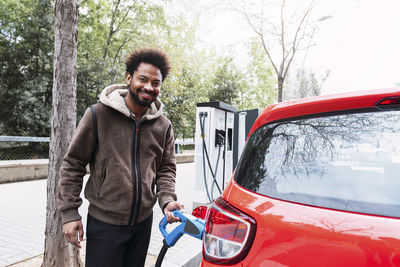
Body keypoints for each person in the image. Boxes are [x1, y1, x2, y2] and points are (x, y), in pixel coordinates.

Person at [57, 48, 184, 267]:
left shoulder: (163, 126)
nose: (149, 87)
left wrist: (167, 200)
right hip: (105, 224)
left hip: (143, 224)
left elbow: (166, 168)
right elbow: (73, 164)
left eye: (156, 83)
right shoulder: (98, 114)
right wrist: (69, 212)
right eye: (143, 79)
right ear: (129, 78)